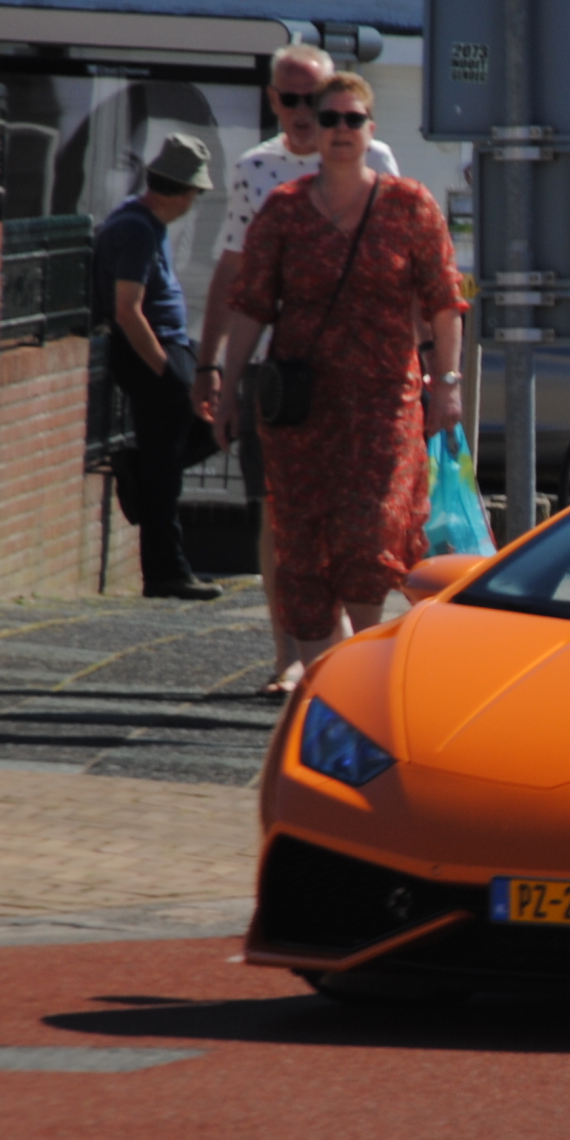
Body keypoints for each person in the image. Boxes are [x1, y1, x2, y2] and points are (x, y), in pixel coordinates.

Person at [219, 74, 467, 668]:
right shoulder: (283, 212)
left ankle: (362, 660)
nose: (339, 131)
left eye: (352, 120)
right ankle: (321, 679)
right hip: (302, 410)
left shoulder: (410, 206)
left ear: (370, 130)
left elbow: (444, 300)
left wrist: (448, 385)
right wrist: (226, 387)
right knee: (302, 541)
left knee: (368, 527)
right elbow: (251, 304)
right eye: (328, 120)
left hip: (385, 406)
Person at [202, 42, 402, 693]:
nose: (305, 114)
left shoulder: (377, 162)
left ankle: (339, 649)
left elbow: (408, 266)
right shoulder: (257, 170)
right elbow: (233, 270)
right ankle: (288, 654)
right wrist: (212, 367)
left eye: (315, 100)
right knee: (280, 512)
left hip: (359, 372)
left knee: (352, 513)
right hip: (278, 371)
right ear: (273, 101)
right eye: (290, 99)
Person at [93, 133, 221, 601]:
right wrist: (167, 375)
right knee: (166, 468)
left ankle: (137, 471)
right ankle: (167, 572)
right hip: (152, 352)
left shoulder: (147, 223)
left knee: (221, 420)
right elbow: (128, 310)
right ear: (185, 193)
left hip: (170, 345)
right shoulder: (137, 229)